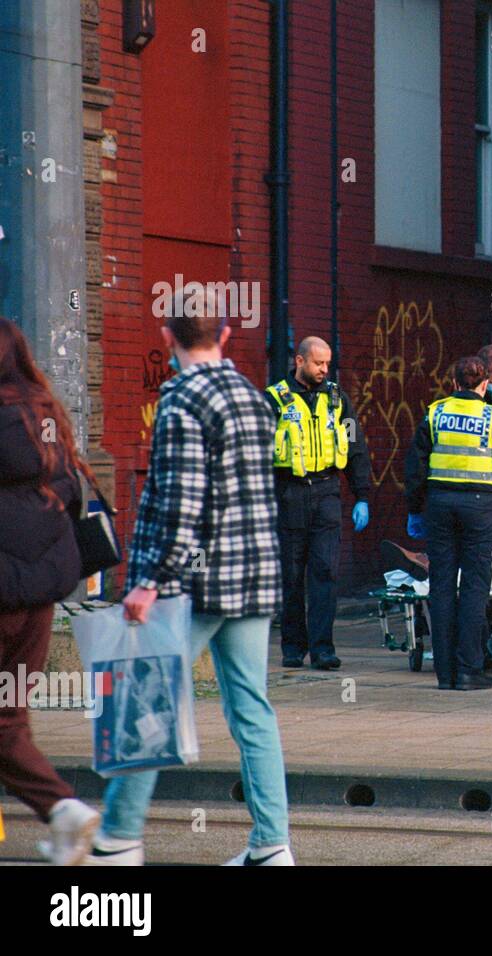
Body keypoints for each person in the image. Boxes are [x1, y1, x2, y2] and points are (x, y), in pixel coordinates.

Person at [91, 297, 293, 865]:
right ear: (225, 334)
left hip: (195, 585)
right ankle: (272, 846)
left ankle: (119, 838)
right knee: (252, 710)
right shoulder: (252, 397)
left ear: (166, 335)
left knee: (146, 703)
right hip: (252, 576)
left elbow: (182, 506)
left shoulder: (180, 402)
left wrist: (148, 581)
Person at [0, 317, 103, 865]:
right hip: (39, 595)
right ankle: (64, 818)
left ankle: (64, 808)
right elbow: (68, 489)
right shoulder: (44, 413)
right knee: (9, 716)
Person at [404, 356, 492, 690]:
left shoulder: (435, 413)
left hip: (439, 505)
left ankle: (445, 674)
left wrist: (415, 511)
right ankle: (469, 671)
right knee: (474, 587)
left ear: (454, 383)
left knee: (441, 586)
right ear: (484, 385)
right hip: (480, 508)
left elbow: (414, 468)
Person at [265, 336, 371, 670]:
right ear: (299, 361)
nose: (325, 370)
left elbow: (355, 447)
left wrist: (362, 495)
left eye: (327, 364)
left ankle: (323, 648)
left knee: (325, 572)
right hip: (289, 493)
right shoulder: (273, 400)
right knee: (292, 575)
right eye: (318, 363)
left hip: (327, 491)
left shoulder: (338, 400)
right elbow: (256, 454)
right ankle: (293, 647)